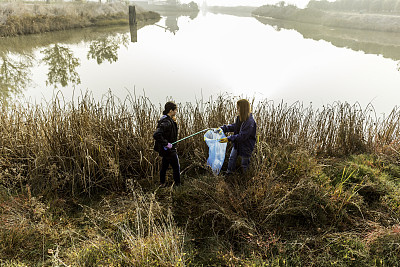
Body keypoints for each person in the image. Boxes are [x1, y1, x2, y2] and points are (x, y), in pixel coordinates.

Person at [218, 99, 257, 175]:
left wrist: (228, 138)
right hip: (237, 144)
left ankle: (245, 180)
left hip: (246, 146)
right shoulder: (240, 118)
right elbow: (235, 126)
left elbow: (242, 136)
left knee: (244, 164)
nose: (237, 109)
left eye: (238, 108)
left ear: (242, 108)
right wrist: (223, 128)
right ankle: (229, 175)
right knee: (232, 158)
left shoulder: (250, 122)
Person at [153, 101, 181, 187]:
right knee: (176, 167)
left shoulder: (169, 120)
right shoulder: (166, 122)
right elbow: (156, 135)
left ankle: (162, 183)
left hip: (167, 149)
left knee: (164, 166)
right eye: (175, 110)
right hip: (168, 149)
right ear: (170, 110)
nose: (176, 112)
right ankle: (178, 186)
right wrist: (166, 144)